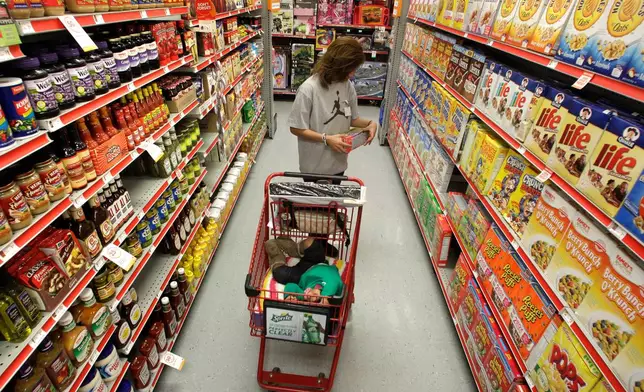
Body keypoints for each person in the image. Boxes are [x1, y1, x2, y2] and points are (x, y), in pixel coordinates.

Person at [288, 37, 378, 180]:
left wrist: (370, 124)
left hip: (338, 163)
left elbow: (353, 119)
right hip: (313, 166)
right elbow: (296, 128)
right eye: (350, 69)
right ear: (338, 65)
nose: (352, 74)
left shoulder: (347, 85)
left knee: (333, 202)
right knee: (315, 202)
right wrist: (326, 139)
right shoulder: (308, 89)